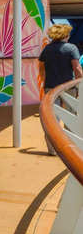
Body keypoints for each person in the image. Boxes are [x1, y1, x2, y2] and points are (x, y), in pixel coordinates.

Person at [39, 24, 83, 155]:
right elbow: (77, 69)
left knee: (52, 119)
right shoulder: (71, 48)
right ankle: (70, 149)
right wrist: (79, 83)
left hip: (51, 88)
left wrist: (44, 82)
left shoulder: (47, 49)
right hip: (68, 88)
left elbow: (41, 68)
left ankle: (52, 150)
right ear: (65, 35)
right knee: (70, 118)